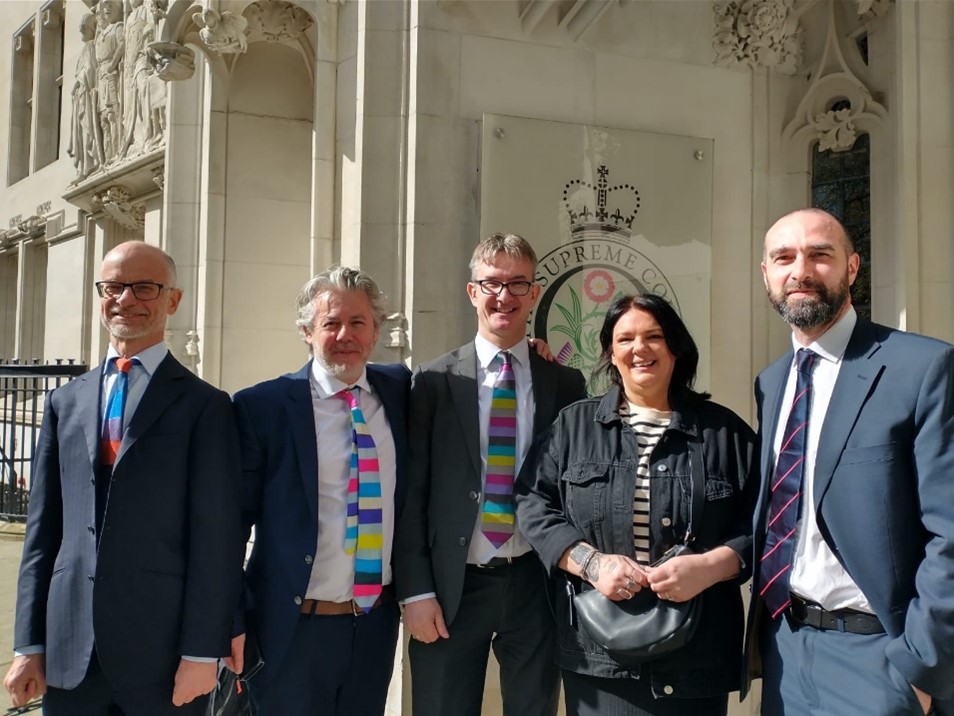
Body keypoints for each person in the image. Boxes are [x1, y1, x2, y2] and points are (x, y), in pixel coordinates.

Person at [3, 241, 244, 715]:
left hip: (164, 655)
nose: (126, 299)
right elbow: (43, 535)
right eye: (113, 286)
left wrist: (201, 650)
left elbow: (217, 540)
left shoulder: (206, 407)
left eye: (144, 287)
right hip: (70, 652)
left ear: (172, 300)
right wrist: (28, 643)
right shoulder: (64, 403)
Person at [745, 208, 954, 715]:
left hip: (878, 658)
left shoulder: (921, 368)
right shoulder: (773, 383)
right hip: (786, 650)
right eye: (784, 257)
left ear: (852, 267)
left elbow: (950, 531)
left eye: (821, 255)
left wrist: (918, 670)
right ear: (767, 275)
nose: (801, 271)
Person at [515, 293, 757, 716]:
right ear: (610, 351)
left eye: (654, 336)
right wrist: (591, 563)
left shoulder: (724, 433)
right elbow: (533, 501)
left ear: (676, 348)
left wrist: (711, 566)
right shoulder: (573, 426)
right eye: (625, 339)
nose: (639, 349)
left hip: (698, 656)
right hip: (599, 659)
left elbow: (768, 523)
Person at [393, 232, 587, 716]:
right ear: (472, 291)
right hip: (453, 587)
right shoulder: (435, 380)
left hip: (534, 583)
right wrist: (415, 590)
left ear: (535, 293)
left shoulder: (563, 381)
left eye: (518, 284)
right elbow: (412, 492)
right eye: (492, 283)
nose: (505, 296)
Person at [232, 266, 410, 715]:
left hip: (373, 625)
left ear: (375, 332)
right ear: (307, 332)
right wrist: (229, 623)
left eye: (357, 322)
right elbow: (228, 529)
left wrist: (529, 349)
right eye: (330, 323)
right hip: (290, 630)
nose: (344, 334)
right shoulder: (263, 407)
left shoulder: (403, 391)